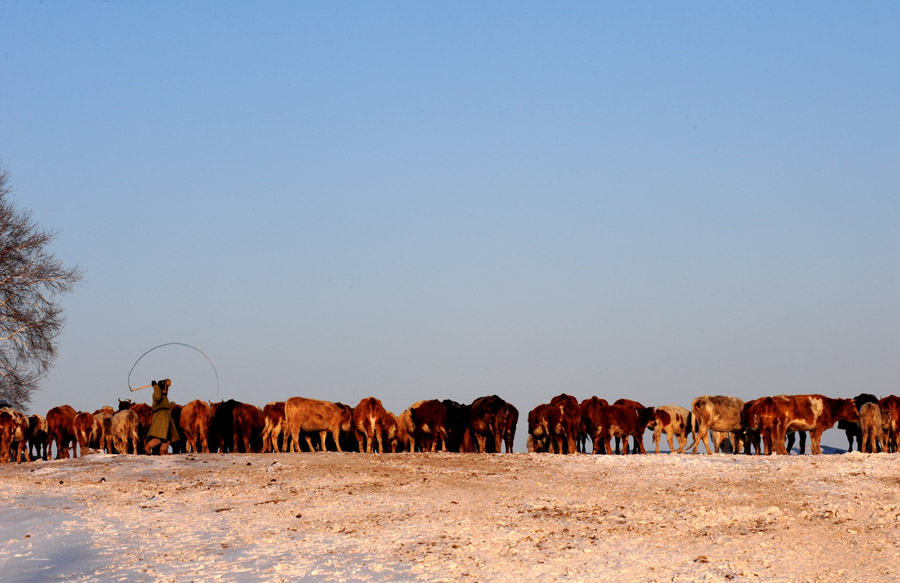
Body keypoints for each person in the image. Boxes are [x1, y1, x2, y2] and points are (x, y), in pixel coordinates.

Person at [145, 379, 179, 454]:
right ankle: (148, 447)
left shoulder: (163, 395)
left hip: (166, 417)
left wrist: (167, 384)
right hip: (161, 417)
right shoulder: (156, 394)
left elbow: (165, 389)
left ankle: (163, 451)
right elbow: (158, 397)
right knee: (160, 436)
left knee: (168, 436)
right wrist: (155, 386)